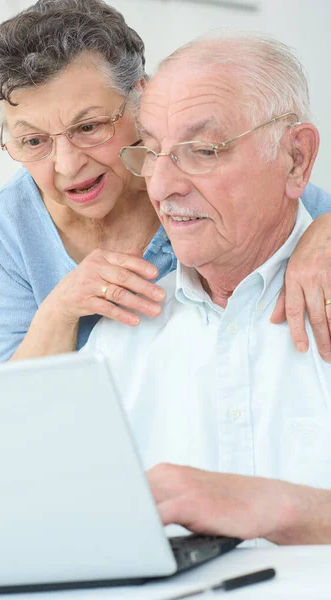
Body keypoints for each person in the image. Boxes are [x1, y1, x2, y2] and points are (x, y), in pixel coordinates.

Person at [0, 0, 331, 366]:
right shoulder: (8, 223)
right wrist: (61, 309)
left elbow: (292, 193)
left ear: (142, 97)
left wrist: (324, 233)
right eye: (34, 141)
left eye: (89, 127)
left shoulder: (195, 180)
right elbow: (0, 399)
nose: (66, 165)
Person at [83, 32, 331, 544]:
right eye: (152, 152)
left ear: (295, 159)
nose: (162, 186)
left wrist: (286, 508)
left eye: (201, 150)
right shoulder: (120, 337)